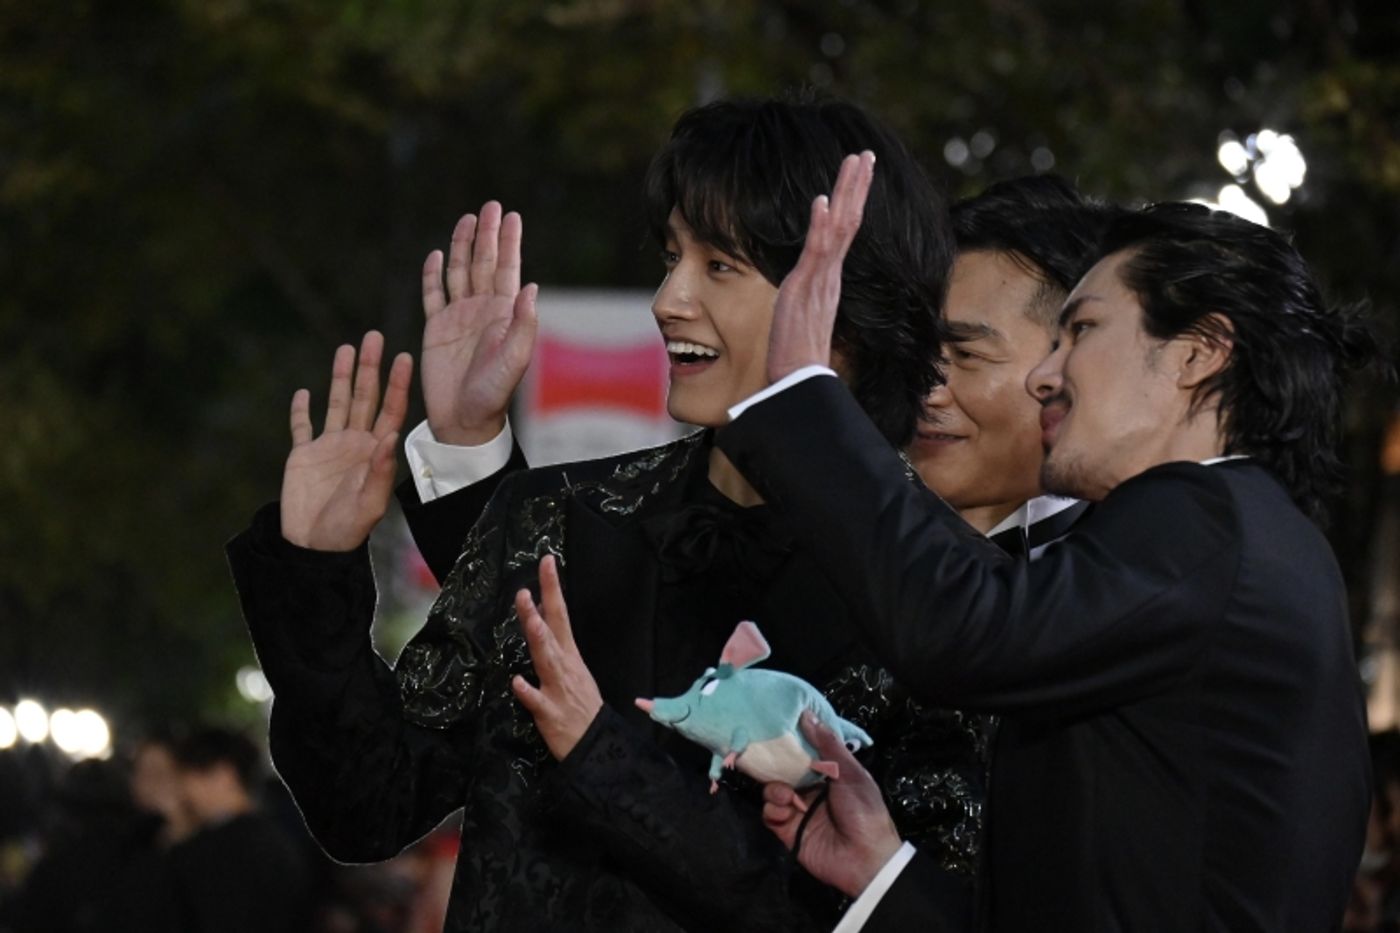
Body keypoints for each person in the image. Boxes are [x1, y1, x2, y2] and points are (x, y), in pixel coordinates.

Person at [227, 95, 960, 932]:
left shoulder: (943, 585)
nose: (668, 298)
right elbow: (366, 803)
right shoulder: (563, 516)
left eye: (719, 265)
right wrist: (316, 564)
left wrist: (604, 756)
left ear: (837, 296)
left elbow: (896, 908)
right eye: (673, 255)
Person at [716, 153, 1377, 930]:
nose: (1046, 375)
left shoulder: (1208, 517)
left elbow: (962, 626)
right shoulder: (1244, 537)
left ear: (1199, 352)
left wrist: (802, 391)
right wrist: (886, 872)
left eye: (1083, 329)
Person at [165, 727, 312, 933]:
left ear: (224, 775)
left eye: (188, 777)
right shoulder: (281, 839)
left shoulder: (211, 852)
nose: (184, 792)